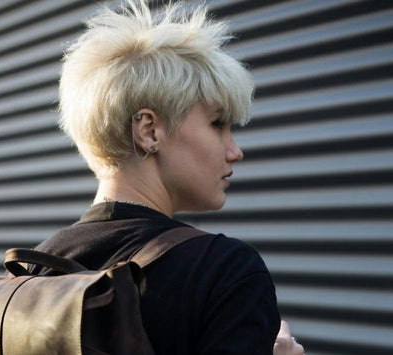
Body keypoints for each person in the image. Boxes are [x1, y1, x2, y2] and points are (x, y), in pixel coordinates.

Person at [32, 0, 305, 354]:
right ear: (149, 131)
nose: (234, 150)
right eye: (217, 124)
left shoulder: (33, 269)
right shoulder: (224, 273)